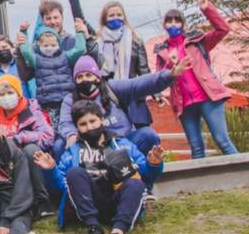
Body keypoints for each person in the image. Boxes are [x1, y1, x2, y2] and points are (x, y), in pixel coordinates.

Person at [33, 100, 165, 234]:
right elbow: (61, 186)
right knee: (74, 173)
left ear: (102, 120)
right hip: (91, 204)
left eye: (93, 121)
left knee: (136, 184)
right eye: (83, 124)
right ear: (77, 128)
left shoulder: (123, 144)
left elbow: (147, 175)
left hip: (120, 202)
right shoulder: (73, 151)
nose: (89, 127)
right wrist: (50, 170)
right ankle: (94, 231)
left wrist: (154, 163)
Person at [154, 0, 239, 159]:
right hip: (184, 104)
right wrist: (170, 64)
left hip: (208, 98)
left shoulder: (197, 42)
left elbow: (223, 29)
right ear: (164, 25)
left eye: (177, 21)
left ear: (183, 24)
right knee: (196, 147)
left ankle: (245, 174)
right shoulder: (162, 51)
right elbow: (160, 79)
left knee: (222, 140)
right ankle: (201, 184)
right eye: (169, 21)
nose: (173, 25)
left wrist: (208, 9)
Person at [58, 55, 191, 158]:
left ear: (98, 78)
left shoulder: (113, 89)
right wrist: (71, 136)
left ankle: (145, 185)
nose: (85, 80)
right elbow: (65, 123)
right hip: (89, 150)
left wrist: (169, 75)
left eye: (88, 75)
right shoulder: (70, 100)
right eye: (80, 77)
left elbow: (140, 84)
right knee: (59, 146)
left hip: (122, 143)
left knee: (148, 135)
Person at [0, 75, 53, 217]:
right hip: (3, 158)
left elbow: (47, 136)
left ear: (18, 93)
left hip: (25, 155)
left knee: (32, 150)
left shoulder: (31, 110)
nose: (6, 97)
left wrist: (21, 137)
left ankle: (42, 201)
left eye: (10, 93)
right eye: (1, 94)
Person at [18, 24, 88, 131]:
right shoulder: (37, 59)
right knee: (54, 130)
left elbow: (80, 49)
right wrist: (24, 33)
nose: (49, 48)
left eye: (53, 44)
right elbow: (26, 52)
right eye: (46, 46)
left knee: (71, 127)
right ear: (39, 46)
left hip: (67, 101)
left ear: (59, 44)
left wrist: (79, 33)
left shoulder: (66, 56)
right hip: (48, 104)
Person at [0, 35, 34, 108]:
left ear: (12, 48)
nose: (2, 51)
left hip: (26, 109)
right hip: (2, 113)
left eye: (4, 47)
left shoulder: (22, 64)